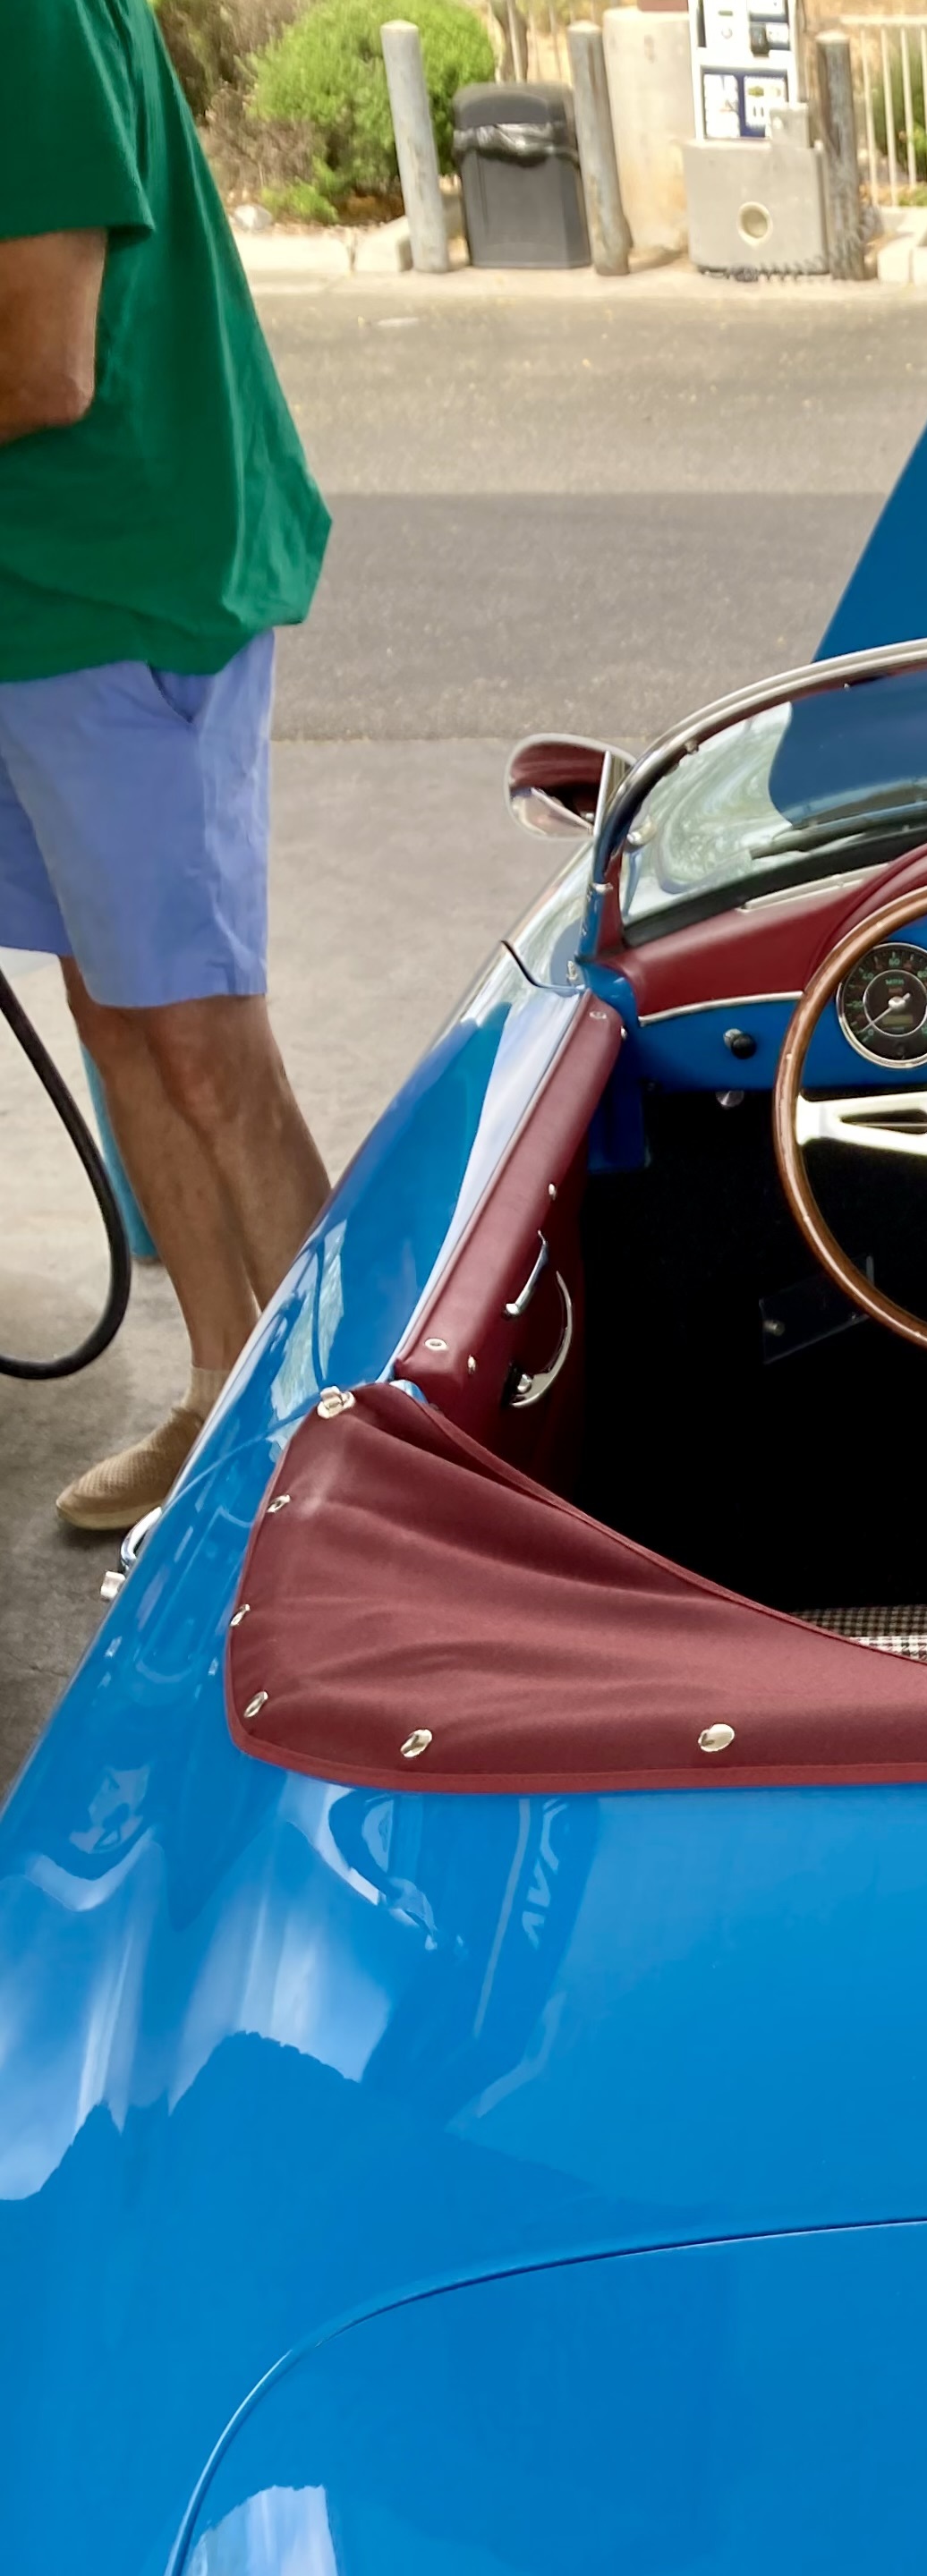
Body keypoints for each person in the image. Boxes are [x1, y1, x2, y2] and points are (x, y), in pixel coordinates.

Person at [0, 0, 332, 1534]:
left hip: (124, 586)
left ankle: (367, 1470)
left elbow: (42, 363)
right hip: (34, 596)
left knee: (201, 1036)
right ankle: (220, 1399)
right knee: (115, 1008)